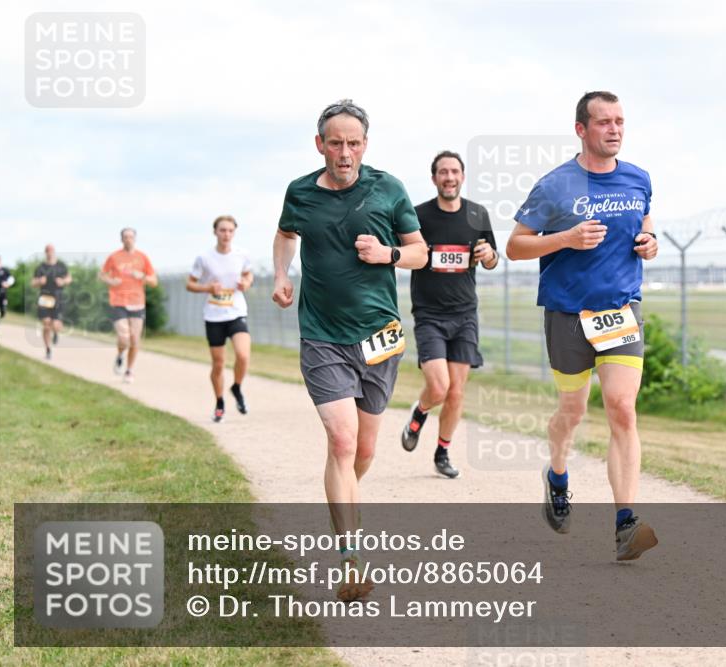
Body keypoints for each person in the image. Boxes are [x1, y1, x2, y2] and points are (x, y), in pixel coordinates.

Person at [272, 99, 427, 600]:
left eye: (353, 143)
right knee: (341, 442)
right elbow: (285, 233)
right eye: (335, 143)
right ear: (320, 144)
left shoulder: (389, 189)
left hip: (379, 338)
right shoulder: (300, 192)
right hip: (322, 334)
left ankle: (344, 505)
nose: (344, 152)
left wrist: (390, 254)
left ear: (365, 144)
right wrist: (280, 275)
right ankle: (351, 559)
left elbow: (420, 252)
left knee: (362, 451)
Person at [506, 91, 660, 561]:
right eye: (603, 123)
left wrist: (650, 241)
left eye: (619, 122)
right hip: (568, 316)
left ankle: (625, 522)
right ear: (581, 129)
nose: (614, 130)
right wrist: (567, 239)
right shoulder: (555, 186)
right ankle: (557, 474)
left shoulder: (638, 178)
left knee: (622, 409)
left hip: (620, 313)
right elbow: (515, 246)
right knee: (571, 414)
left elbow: (645, 221)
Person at [400, 150, 499, 478]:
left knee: (457, 391)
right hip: (429, 314)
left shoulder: (477, 214)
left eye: (454, 171)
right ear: (434, 178)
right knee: (439, 387)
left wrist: (488, 255)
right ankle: (420, 411)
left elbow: (492, 259)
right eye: (443, 172)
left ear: (462, 176)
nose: (449, 177)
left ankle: (442, 451)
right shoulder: (418, 217)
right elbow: (404, 254)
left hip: (465, 314)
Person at [187, 215, 253, 422]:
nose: (226, 234)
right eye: (222, 230)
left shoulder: (242, 255)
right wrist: (208, 287)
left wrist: (246, 283)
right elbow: (190, 284)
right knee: (218, 364)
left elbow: (249, 275)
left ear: (234, 233)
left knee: (243, 355)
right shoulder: (204, 257)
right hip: (214, 316)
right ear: (215, 232)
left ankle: (236, 387)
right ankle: (219, 402)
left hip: (236, 312)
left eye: (230, 231)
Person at [99, 228, 157, 383]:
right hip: (118, 301)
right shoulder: (114, 257)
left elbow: (154, 281)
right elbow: (102, 275)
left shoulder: (142, 257)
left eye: (131, 237)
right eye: (125, 237)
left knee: (135, 339)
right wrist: (111, 281)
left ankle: (129, 370)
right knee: (124, 338)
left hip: (137, 302)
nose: (128, 239)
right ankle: (119, 355)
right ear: (121, 239)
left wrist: (143, 276)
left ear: (135, 239)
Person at [32, 245, 71, 358]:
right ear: (45, 253)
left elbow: (69, 278)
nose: (49, 253)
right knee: (46, 323)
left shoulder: (61, 266)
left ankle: (56, 333)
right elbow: (33, 283)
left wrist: (63, 281)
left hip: (58, 297)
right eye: (47, 251)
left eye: (51, 251)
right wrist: (39, 281)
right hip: (44, 298)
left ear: (54, 252)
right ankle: (48, 349)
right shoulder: (41, 267)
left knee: (56, 325)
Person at [0, 255, 14, 334]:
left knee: (3, 311)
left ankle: (2, 313)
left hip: (3, 294)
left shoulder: (5, 270)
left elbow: (11, 279)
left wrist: (7, 284)